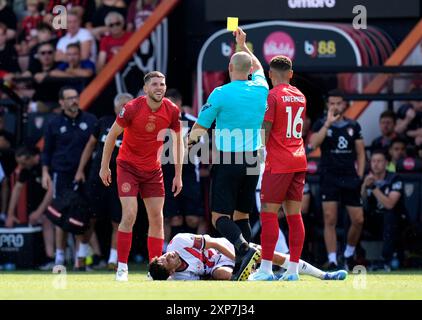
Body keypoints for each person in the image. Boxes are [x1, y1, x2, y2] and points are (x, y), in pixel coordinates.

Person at [188, 27, 268, 281]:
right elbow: (260, 69)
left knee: (219, 217)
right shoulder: (261, 87)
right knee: (242, 215)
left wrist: (187, 146)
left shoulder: (220, 93)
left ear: (230, 69)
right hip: (253, 160)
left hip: (228, 158)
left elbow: (200, 127)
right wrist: (243, 45)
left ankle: (245, 249)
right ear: (250, 71)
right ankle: (246, 266)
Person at [100, 71, 183, 282]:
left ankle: (153, 270)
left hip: (153, 170)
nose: (159, 88)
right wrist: (104, 167)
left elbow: (178, 142)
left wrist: (178, 175)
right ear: (145, 89)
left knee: (157, 219)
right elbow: (112, 136)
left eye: (162, 84)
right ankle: (122, 268)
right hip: (127, 166)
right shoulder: (132, 108)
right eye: (154, 84)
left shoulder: (172, 110)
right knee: (129, 215)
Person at [249, 55, 307, 281]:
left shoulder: (272, 96)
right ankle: (293, 271)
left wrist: (259, 149)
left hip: (279, 161)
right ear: (291, 74)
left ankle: (265, 270)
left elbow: (266, 126)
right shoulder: (300, 95)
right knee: (294, 216)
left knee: (268, 214)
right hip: (299, 159)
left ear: (270, 74)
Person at [75, 93, 133, 270]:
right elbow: (89, 146)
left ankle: (113, 260)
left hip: (121, 178)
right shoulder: (103, 122)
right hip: (97, 177)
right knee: (89, 218)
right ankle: (82, 256)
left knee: (118, 220)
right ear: (115, 107)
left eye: (127, 105)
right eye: (121, 105)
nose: (124, 108)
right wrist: (79, 170)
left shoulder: (136, 125)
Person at [309, 89, 366, 271]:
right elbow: (313, 144)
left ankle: (348, 255)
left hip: (350, 176)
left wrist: (360, 176)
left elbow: (361, 153)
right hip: (329, 176)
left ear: (344, 104)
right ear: (328, 105)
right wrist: (327, 124)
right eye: (332, 103)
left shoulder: (353, 126)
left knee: (358, 220)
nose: (335, 106)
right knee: (329, 218)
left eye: (338, 103)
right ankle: (332, 259)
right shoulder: (321, 124)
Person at [41, 86, 97, 270]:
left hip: (87, 174)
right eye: (70, 98)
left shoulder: (90, 120)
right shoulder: (53, 123)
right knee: (61, 216)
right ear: (61, 102)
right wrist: (45, 172)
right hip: (62, 174)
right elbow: (47, 150)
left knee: (86, 217)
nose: (74, 101)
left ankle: (80, 259)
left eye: (76, 97)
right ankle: (59, 258)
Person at [148, 233, 347, 281]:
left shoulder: (179, 241)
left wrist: (242, 258)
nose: (169, 254)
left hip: (225, 249)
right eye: (167, 261)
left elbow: (215, 243)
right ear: (172, 271)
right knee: (218, 274)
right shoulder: (180, 279)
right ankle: (266, 279)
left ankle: (324, 275)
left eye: (164, 255)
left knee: (271, 256)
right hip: (217, 267)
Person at [162, 88, 204, 248]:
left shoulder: (194, 123)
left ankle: (199, 254)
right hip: (166, 176)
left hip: (189, 176)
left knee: (194, 219)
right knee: (170, 218)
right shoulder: (159, 122)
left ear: (179, 103)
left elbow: (206, 149)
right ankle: (164, 254)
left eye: (172, 103)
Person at [4, 146, 55, 269]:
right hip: (43, 206)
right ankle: (45, 258)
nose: (20, 167)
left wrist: (39, 212)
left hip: (60, 199)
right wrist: (10, 215)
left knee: (46, 220)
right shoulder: (27, 168)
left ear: (33, 157)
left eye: (22, 163)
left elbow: (52, 191)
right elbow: (17, 189)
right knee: (41, 219)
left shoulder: (45, 165)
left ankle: (53, 258)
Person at [361, 150, 407, 270]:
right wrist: (364, 188)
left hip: (395, 223)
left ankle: (386, 260)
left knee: (389, 215)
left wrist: (373, 188)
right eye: (373, 161)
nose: (376, 164)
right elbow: (361, 203)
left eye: (379, 161)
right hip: (374, 220)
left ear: (386, 163)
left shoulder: (395, 178)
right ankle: (351, 256)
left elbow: (390, 204)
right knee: (353, 215)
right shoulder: (367, 178)